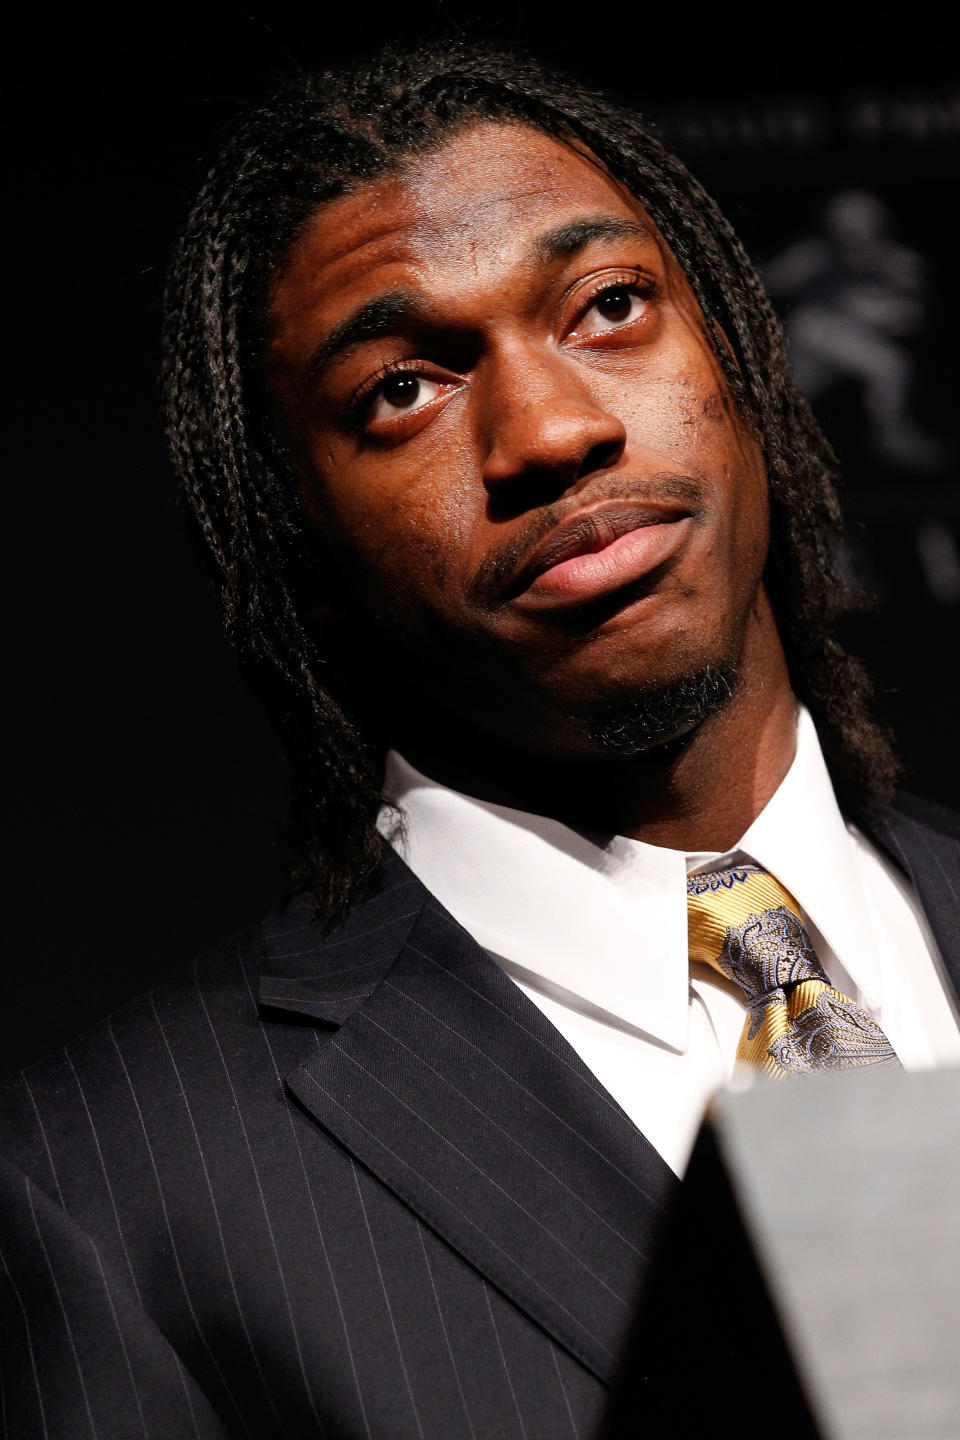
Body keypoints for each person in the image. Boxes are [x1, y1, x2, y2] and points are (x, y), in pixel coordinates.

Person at [1, 43, 958, 1440]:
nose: (552, 429)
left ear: (743, 354)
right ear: (298, 544)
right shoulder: (104, 1198)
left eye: (610, 306)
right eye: (403, 389)